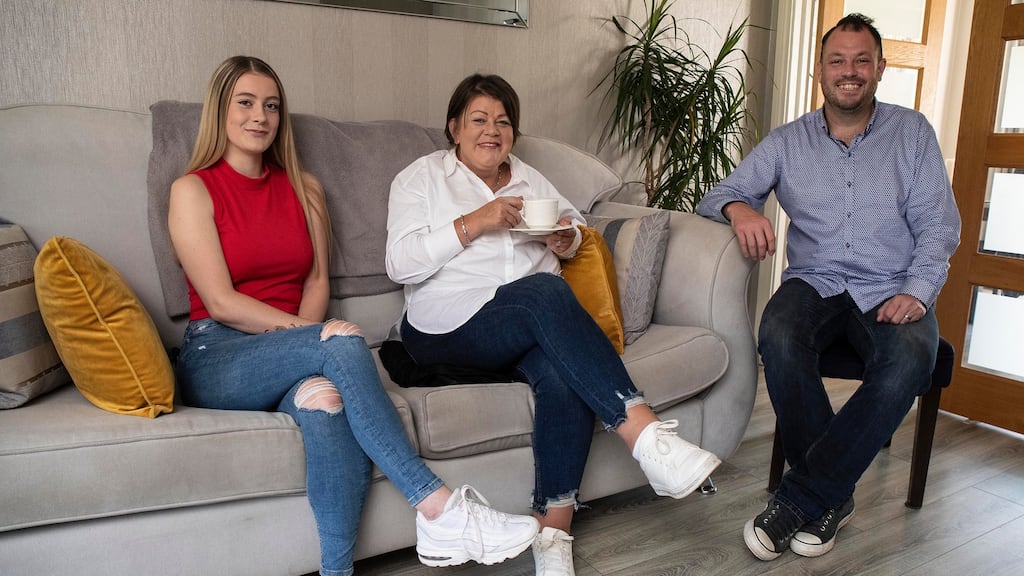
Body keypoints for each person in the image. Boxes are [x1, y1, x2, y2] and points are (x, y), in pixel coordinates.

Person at [167, 56, 540, 576]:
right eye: (245, 103)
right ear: (220, 111)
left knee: (326, 402)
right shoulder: (193, 189)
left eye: (271, 105)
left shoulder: (306, 188)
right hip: (218, 355)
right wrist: (319, 339)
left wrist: (313, 349)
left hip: (290, 352)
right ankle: (437, 507)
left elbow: (316, 283)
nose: (261, 117)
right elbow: (223, 301)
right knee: (343, 342)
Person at [385, 73, 722, 576]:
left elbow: (573, 228)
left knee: (563, 374)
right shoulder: (422, 178)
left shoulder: (527, 176)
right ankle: (646, 437)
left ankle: (553, 532)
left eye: (502, 122)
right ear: (454, 126)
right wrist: (477, 220)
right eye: (478, 119)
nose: (491, 131)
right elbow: (400, 263)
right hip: (448, 325)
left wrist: (564, 241)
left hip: (529, 325)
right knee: (546, 292)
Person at [696, 14, 961, 561]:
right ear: (820, 71)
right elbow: (719, 192)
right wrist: (741, 209)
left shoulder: (911, 134)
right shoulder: (787, 142)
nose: (850, 71)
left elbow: (939, 224)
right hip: (814, 282)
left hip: (893, 283)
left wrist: (917, 289)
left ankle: (802, 498)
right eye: (837, 60)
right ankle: (828, 500)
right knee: (778, 334)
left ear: (880, 69)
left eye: (862, 60)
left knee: (913, 360)